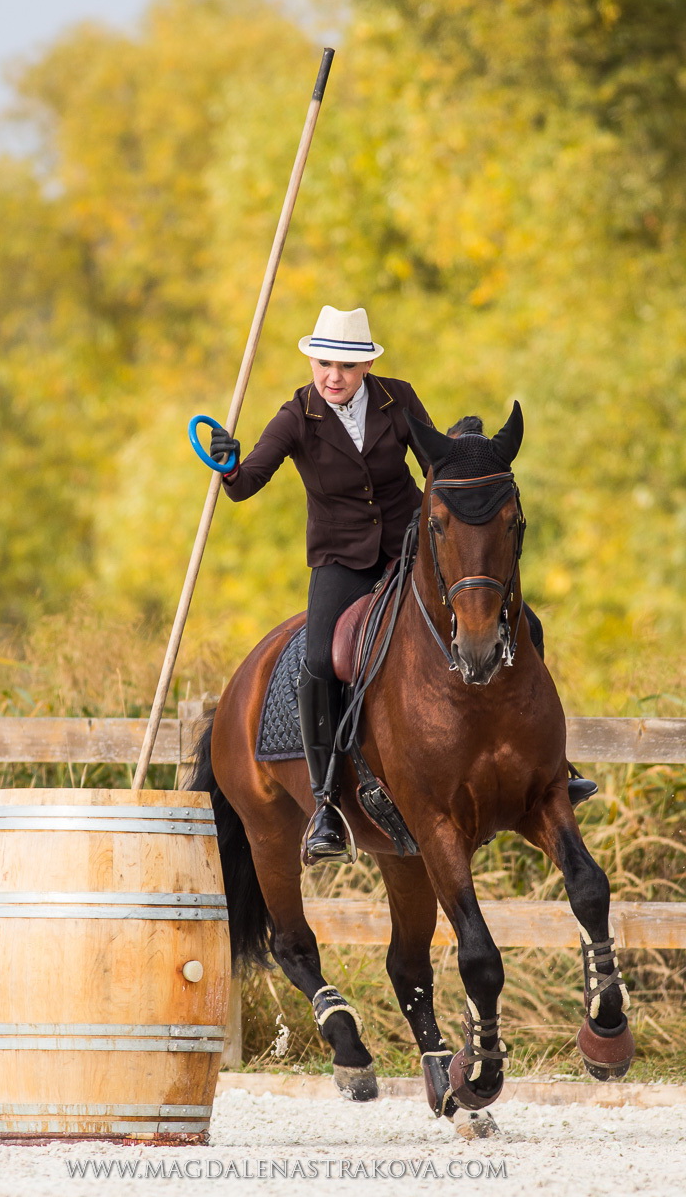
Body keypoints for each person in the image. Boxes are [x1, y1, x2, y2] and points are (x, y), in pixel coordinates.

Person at [211, 306, 595, 865]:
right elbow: (247, 485)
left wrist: (466, 457)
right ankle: (325, 805)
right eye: (324, 363)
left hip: (411, 552)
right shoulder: (296, 415)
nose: (333, 376)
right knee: (320, 659)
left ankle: (554, 767)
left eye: (345, 364)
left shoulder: (399, 399)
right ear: (312, 362)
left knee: (525, 623)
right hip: (341, 562)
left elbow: (436, 468)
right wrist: (227, 464)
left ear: (366, 365)